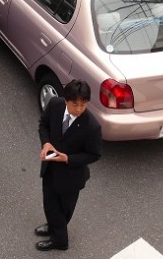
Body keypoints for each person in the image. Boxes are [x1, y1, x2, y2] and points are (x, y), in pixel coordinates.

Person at [35, 79, 102, 251]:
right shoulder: (55, 105)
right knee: (49, 202)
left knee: (63, 210)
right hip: (50, 167)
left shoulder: (92, 126)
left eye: (83, 104)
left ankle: (60, 241)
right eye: (75, 104)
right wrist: (46, 143)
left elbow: (94, 154)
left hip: (71, 177)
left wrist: (68, 159)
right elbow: (43, 124)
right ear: (66, 100)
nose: (79, 109)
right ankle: (53, 227)